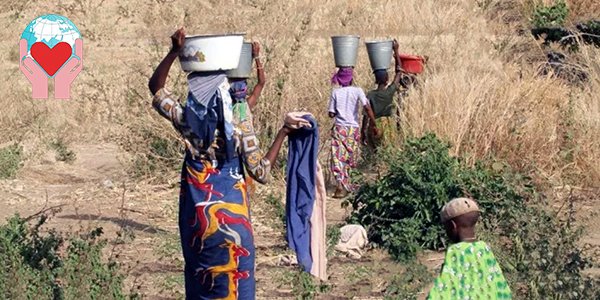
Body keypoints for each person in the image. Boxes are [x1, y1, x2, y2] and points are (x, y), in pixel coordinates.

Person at [148, 28, 294, 300]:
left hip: (200, 228)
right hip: (235, 227)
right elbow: (260, 172)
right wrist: (283, 133)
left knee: (201, 282)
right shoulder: (240, 126)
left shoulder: (188, 123)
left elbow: (156, 88)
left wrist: (174, 51)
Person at [427, 198, 512, 299]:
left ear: (453, 226)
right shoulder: (484, 248)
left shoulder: (455, 252)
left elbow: (442, 291)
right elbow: (501, 289)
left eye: (446, 228)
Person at [328, 67, 379, 199]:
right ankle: (348, 184)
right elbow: (367, 107)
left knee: (337, 157)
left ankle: (340, 185)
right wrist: (373, 123)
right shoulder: (358, 91)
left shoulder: (335, 92)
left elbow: (331, 113)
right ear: (351, 78)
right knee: (350, 156)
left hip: (339, 128)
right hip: (352, 129)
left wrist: (336, 111)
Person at [362, 40, 402, 149]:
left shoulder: (370, 95)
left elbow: (366, 116)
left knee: (376, 150)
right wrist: (396, 51)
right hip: (388, 124)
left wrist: (363, 133)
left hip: (375, 126)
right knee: (388, 149)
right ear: (387, 79)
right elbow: (399, 72)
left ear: (375, 80)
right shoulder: (389, 92)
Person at [228, 42, 265, 110]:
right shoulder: (247, 105)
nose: (238, 90)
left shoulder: (225, 109)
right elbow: (261, 83)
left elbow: (261, 83)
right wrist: (256, 57)